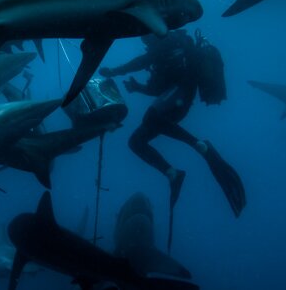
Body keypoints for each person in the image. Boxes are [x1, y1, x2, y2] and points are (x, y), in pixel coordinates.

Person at [99, 30, 245, 219]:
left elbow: (142, 61)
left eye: (145, 36)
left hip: (180, 98)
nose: (144, 41)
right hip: (172, 106)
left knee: (150, 118)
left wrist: (114, 71)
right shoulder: (163, 52)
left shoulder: (166, 40)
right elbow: (157, 88)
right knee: (136, 141)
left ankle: (199, 145)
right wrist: (137, 88)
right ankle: (172, 173)